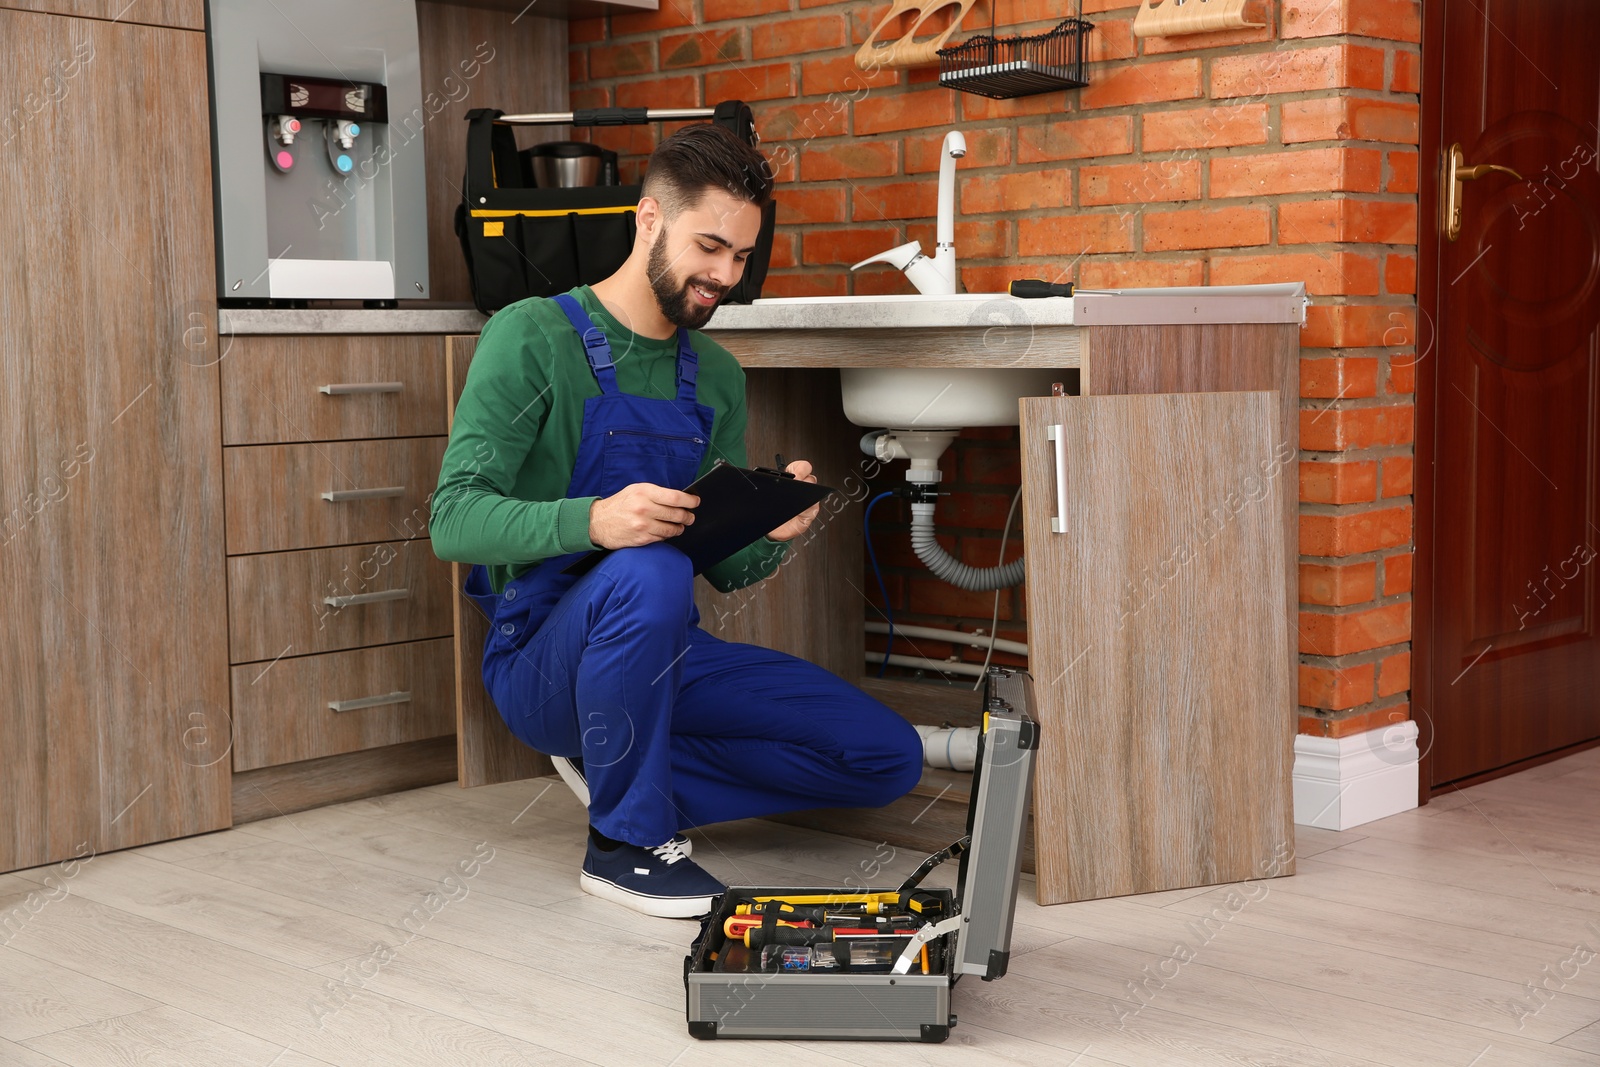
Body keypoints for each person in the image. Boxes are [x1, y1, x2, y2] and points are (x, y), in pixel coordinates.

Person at [430, 123, 924, 919]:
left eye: (742, 256)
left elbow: (722, 567)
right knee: (652, 564)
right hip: (539, 657)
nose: (725, 275)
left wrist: (767, 533)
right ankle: (625, 843)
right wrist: (596, 519)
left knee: (883, 755)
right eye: (710, 247)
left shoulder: (715, 375)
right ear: (649, 219)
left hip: (666, 651)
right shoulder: (530, 335)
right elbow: (452, 521)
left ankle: (630, 769)